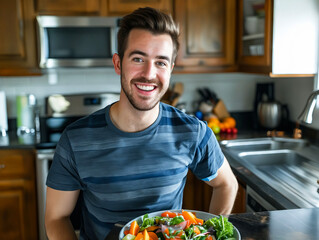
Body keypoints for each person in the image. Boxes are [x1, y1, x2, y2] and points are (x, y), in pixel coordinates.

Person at [45, 7, 238, 240]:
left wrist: (209, 234)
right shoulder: (75, 139)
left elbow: (226, 184)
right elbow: (56, 218)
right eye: (138, 58)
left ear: (170, 70)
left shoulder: (192, 132)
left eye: (161, 62)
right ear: (118, 64)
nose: (149, 73)